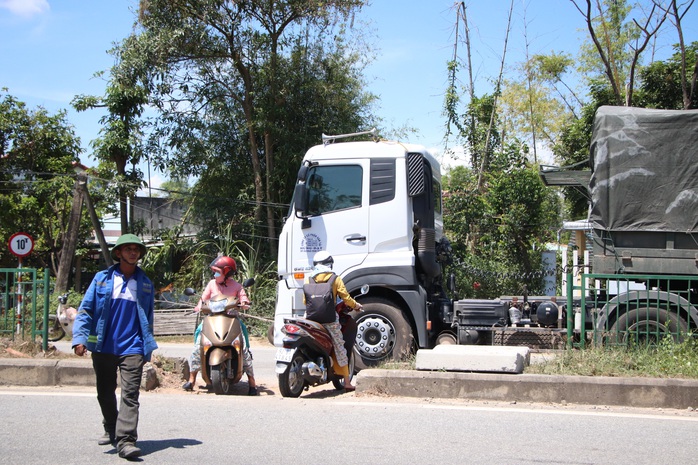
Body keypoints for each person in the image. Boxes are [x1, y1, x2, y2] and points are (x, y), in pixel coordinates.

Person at [72, 234, 158, 460]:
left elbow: (148, 318)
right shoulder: (101, 279)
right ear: (118, 253)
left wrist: (146, 347)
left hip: (133, 347)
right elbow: (86, 310)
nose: (133, 253)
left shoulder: (146, 284)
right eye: (128, 249)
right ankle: (111, 426)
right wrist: (80, 338)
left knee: (130, 394)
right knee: (105, 392)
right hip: (103, 346)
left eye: (136, 250)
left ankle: (126, 440)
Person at [182, 255, 258, 396]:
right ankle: (191, 379)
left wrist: (245, 303)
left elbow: (243, 298)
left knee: (244, 347)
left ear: (227, 272)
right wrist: (198, 307)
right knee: (198, 342)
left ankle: (252, 382)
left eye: (217, 271)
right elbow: (203, 299)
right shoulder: (211, 284)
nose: (214, 274)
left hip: (231, 319)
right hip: (212, 319)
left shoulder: (237, 286)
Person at [306, 251, 363, 392]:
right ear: (329, 263)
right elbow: (346, 298)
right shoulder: (335, 278)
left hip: (310, 318)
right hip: (330, 319)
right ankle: (348, 382)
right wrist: (356, 306)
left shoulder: (309, 279)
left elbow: (305, 300)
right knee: (340, 347)